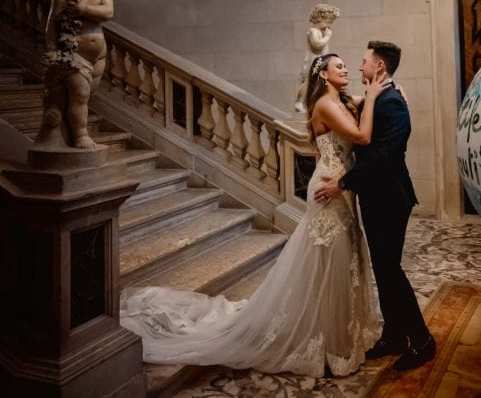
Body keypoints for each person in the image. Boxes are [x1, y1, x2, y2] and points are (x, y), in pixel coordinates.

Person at [119, 53, 388, 377]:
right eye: (339, 66)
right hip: (328, 189)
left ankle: (341, 336)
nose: (345, 69)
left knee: (344, 257)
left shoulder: (342, 100)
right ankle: (328, 344)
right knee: (331, 257)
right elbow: (362, 136)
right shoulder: (325, 106)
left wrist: (383, 88)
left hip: (343, 189)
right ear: (323, 76)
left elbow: (374, 101)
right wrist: (372, 96)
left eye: (347, 65)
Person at [314, 40, 436, 372]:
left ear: (378, 66)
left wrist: (343, 183)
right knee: (384, 269)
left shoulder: (392, 103)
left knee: (391, 270)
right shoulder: (380, 96)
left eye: (364, 61)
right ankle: (394, 335)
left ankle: (422, 340)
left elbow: (385, 156)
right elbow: (348, 104)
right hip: (375, 197)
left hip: (390, 199)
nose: (359, 66)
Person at [34, 0, 113, 151]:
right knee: (80, 94)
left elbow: (108, 13)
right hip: (72, 56)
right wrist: (53, 53)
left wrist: (84, 10)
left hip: (99, 59)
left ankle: (66, 136)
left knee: (82, 99)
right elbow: (51, 26)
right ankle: (81, 135)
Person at [294, 3, 340, 112]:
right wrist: (328, 36)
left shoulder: (321, 32)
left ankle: (314, 103)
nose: (329, 26)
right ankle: (299, 102)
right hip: (313, 61)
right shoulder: (313, 31)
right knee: (309, 81)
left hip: (321, 61)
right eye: (328, 22)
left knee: (319, 83)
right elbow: (317, 44)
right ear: (320, 18)